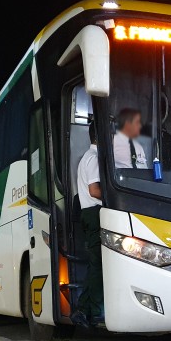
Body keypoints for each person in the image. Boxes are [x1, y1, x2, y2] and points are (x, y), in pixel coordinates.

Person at [71, 122, 104, 328]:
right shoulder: (93, 159)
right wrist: (115, 196)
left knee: (97, 265)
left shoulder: (87, 157)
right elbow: (94, 190)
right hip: (94, 213)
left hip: (90, 214)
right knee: (98, 265)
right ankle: (84, 309)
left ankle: (90, 311)